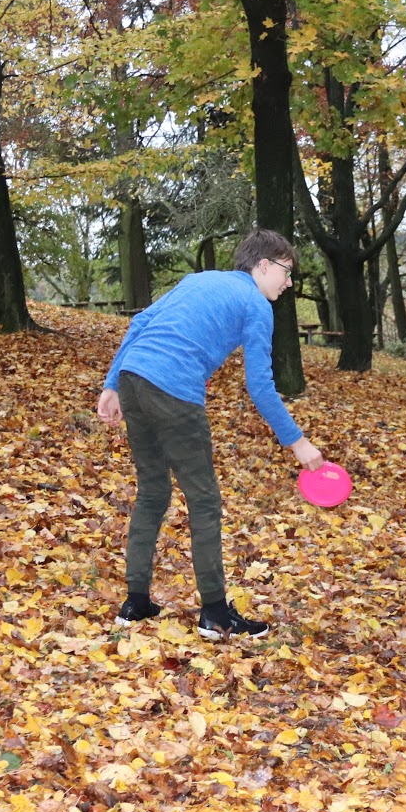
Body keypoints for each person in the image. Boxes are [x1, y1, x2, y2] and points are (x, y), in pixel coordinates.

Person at [96, 230, 325, 640]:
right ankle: (216, 614)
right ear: (264, 266)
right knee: (203, 500)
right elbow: (260, 386)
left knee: (152, 491)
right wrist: (298, 442)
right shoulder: (256, 304)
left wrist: (113, 384)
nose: (289, 283)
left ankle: (135, 604)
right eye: (287, 273)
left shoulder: (198, 279)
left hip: (133, 378)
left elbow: (141, 322)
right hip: (173, 390)